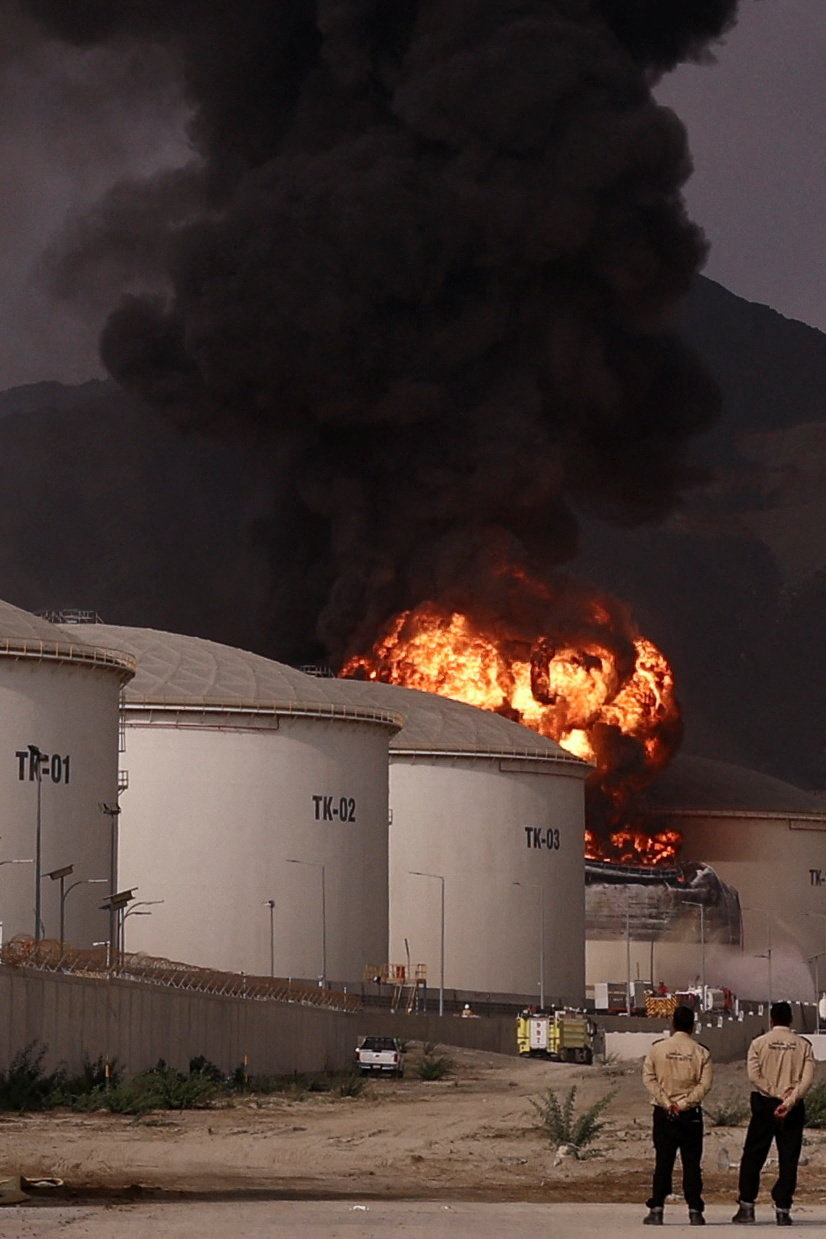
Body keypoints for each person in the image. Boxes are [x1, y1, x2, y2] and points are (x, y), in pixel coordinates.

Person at [732, 1001, 814, 1226]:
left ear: (771, 1019)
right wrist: (788, 1100)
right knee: (788, 1160)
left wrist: (776, 1095)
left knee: (753, 1157)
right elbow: (807, 1080)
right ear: (791, 1020)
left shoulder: (758, 1044)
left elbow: (754, 1076)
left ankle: (746, 1207)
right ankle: (783, 1210)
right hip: (792, 1108)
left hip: (765, 1105)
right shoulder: (803, 1045)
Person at [642, 1004, 713, 1226]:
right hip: (690, 1115)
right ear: (693, 1026)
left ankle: (656, 1209)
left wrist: (667, 1102)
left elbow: (648, 1078)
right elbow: (705, 1085)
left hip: (664, 1114)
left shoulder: (657, 1049)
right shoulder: (701, 1052)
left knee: (663, 1161)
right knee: (692, 1163)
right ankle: (694, 1210)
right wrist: (683, 1104)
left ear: (672, 1024)